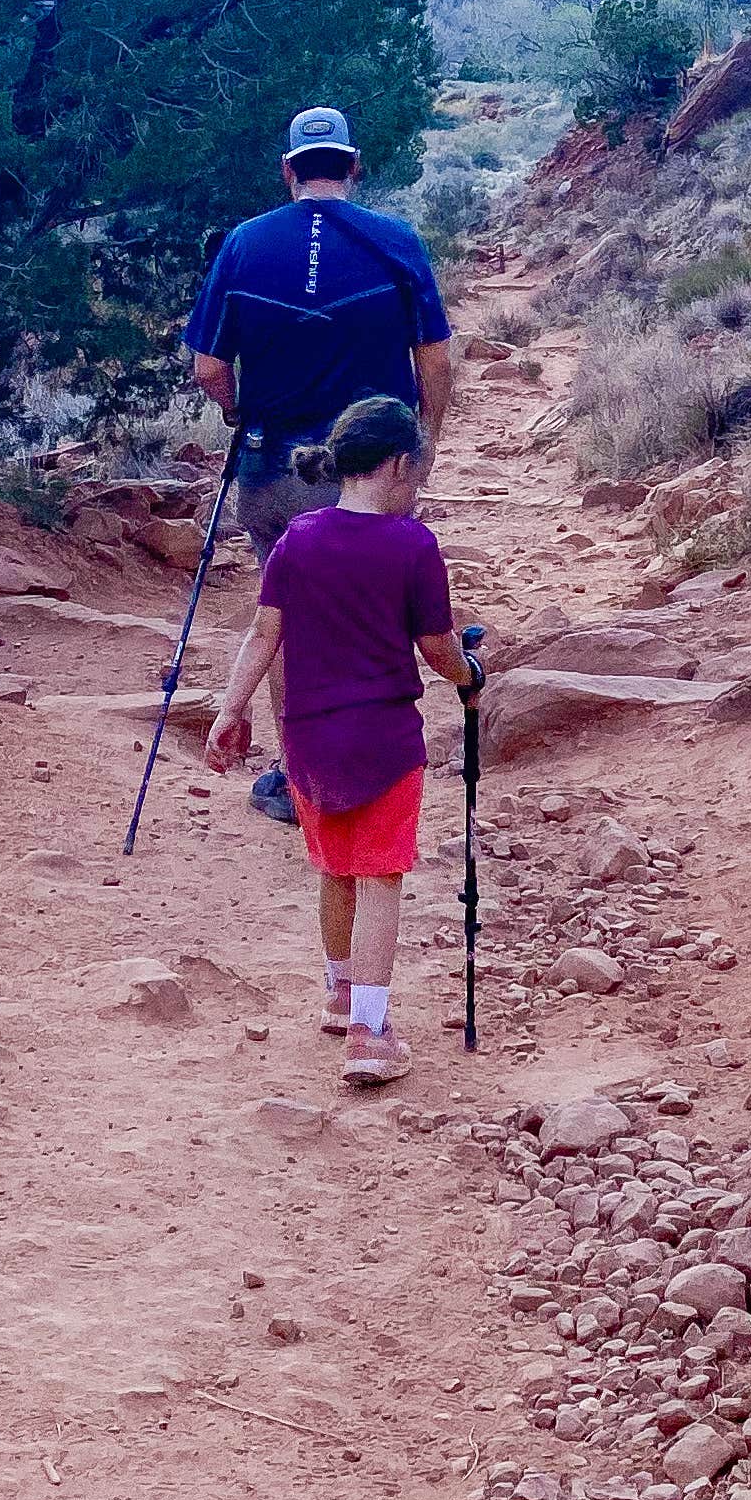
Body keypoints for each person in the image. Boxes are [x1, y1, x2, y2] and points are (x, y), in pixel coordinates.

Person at [183, 105, 454, 826]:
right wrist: (422, 444)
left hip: (274, 463)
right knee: (377, 608)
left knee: (286, 613)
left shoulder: (243, 245)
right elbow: (435, 358)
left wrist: (239, 414)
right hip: (371, 467)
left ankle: (297, 775)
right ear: (354, 165)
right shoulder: (395, 240)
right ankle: (372, 769)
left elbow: (209, 366)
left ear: (288, 171)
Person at [203, 392, 476, 1086]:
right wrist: (470, 674)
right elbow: (436, 646)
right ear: (394, 465)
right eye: (415, 475)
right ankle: (370, 1032)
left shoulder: (298, 539)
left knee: (335, 870)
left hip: (309, 741)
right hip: (384, 738)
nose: (415, 489)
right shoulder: (413, 545)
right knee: (381, 876)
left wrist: (231, 710)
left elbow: (265, 633)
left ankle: (340, 992)